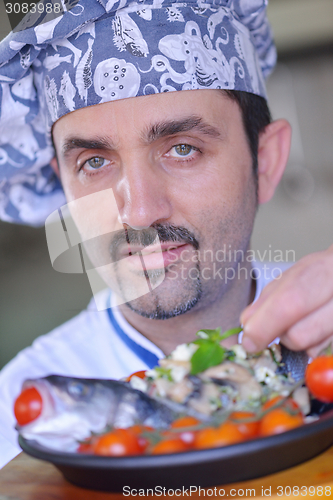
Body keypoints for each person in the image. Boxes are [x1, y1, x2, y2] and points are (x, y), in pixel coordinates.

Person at [0, 0, 332, 469]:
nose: (138, 212)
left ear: (266, 162)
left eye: (182, 148)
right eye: (93, 162)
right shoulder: (16, 420)